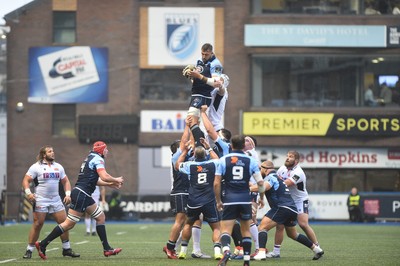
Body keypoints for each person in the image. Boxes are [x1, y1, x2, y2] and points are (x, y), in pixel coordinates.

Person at [35, 141, 124, 260]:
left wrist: (110, 184)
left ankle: (107, 249)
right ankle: (42, 244)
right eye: (106, 149)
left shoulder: (90, 158)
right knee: (68, 224)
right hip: (82, 195)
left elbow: (94, 180)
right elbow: (104, 176)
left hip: (84, 194)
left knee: (100, 217)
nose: (107, 151)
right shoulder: (98, 159)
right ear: (101, 150)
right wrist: (116, 179)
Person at [251, 160, 324, 261]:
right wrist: (262, 198)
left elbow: (263, 187)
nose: (259, 171)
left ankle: (261, 253)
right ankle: (316, 249)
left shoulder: (270, 177)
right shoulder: (278, 177)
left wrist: (246, 188)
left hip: (282, 208)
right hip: (292, 209)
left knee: (262, 228)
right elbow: (263, 188)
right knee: (293, 234)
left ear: (265, 169)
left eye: (260, 169)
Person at [214, 135, 265, 266]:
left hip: (229, 199)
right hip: (245, 200)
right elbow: (260, 182)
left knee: (225, 230)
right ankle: (247, 260)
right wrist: (262, 198)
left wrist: (219, 201)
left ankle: (226, 251)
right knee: (246, 231)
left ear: (231, 145)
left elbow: (216, 183)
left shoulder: (223, 160)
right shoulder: (251, 161)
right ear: (243, 146)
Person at [21, 145, 80, 259]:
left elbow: (66, 181)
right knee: (38, 224)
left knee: (64, 223)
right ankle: (29, 250)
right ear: (44, 154)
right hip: (40, 199)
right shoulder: (36, 167)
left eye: (53, 151)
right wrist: (28, 193)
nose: (53, 153)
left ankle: (66, 249)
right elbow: (26, 180)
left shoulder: (58, 167)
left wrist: (68, 195)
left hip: (56, 199)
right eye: (50, 151)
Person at [266, 150, 321, 258]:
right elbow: (274, 179)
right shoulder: (282, 169)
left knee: (303, 224)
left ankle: (317, 246)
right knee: (280, 224)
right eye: (287, 156)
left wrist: (268, 184)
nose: (287, 158)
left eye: (290, 157)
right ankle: (276, 252)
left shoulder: (298, 172)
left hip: (300, 200)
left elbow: (286, 184)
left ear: (296, 160)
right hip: (288, 201)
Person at [176, 139, 223, 260]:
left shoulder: (189, 165)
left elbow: (177, 165)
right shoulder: (212, 164)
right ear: (206, 155)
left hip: (193, 201)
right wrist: (209, 148)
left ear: (194, 155)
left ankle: (183, 251)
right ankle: (217, 252)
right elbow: (218, 160)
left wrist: (185, 151)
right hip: (209, 200)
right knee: (216, 227)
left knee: (188, 224)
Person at [182, 43, 223, 146]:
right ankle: (194, 144)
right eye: (202, 54)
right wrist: (191, 76)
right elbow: (196, 78)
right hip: (195, 93)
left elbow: (216, 83)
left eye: (206, 54)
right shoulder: (199, 60)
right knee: (192, 122)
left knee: (192, 120)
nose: (204, 56)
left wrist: (199, 76)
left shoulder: (215, 64)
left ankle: (194, 145)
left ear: (211, 53)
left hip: (204, 95)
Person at [163, 124, 191, 259]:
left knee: (187, 222)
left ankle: (171, 246)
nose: (185, 145)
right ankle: (169, 248)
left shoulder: (186, 157)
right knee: (179, 221)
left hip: (186, 192)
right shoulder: (176, 157)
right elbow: (185, 140)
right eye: (182, 145)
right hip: (180, 192)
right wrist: (188, 126)